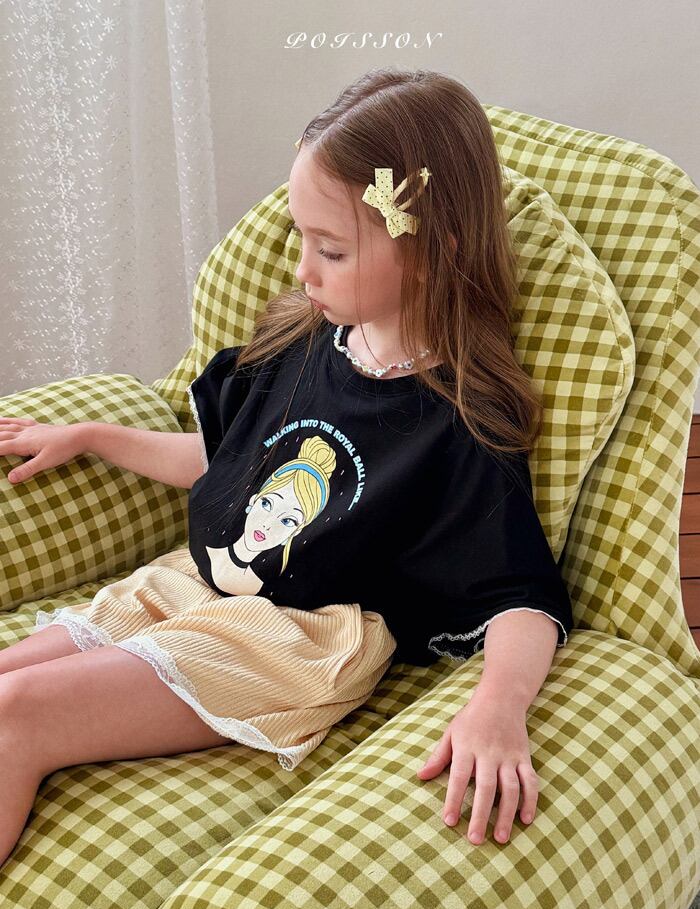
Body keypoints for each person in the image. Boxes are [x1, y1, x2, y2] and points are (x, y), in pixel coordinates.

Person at [0, 67, 573, 863]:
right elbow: (227, 464)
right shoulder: (302, 341)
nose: (304, 270)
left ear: (432, 250)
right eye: (303, 239)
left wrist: (499, 707)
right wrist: (95, 435)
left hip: (294, 638)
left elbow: (520, 594)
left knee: (16, 712)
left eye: (331, 249)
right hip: (193, 586)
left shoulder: (456, 420)